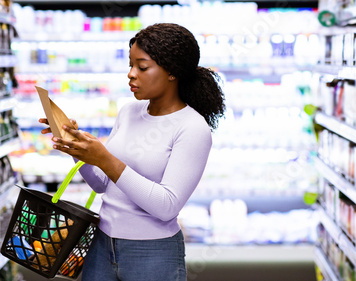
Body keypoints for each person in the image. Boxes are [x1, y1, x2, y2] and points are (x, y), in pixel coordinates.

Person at [40, 23, 225, 281]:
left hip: (153, 254)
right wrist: (77, 149)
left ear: (172, 72)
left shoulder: (192, 128)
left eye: (142, 67)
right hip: (101, 245)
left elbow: (166, 206)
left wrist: (105, 159)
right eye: (130, 65)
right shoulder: (129, 112)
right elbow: (104, 185)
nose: (131, 74)